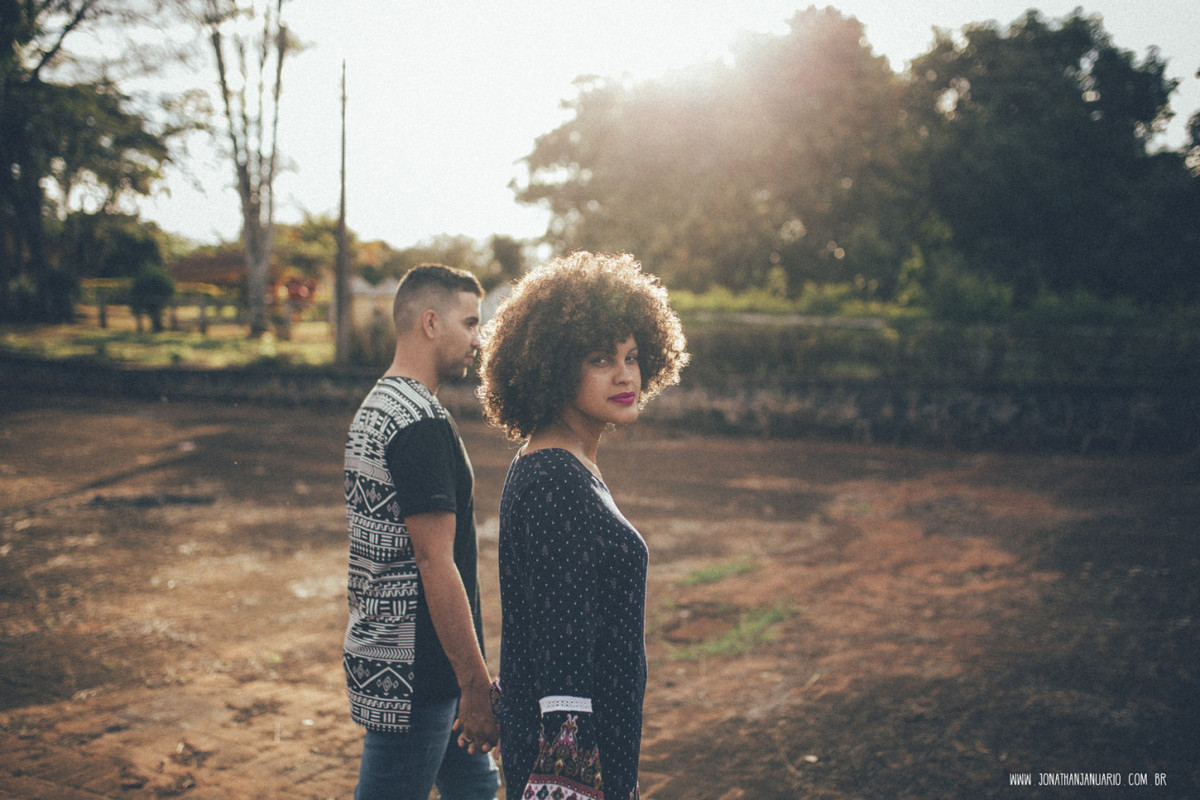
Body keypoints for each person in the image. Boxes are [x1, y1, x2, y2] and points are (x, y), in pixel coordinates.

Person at [476, 251, 689, 800]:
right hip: (574, 767)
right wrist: (570, 784)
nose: (625, 375)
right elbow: (562, 646)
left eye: (632, 356)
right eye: (600, 359)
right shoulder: (556, 481)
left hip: (596, 751)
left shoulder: (559, 463)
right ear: (551, 366)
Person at [342, 264, 500, 800]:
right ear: (430, 323)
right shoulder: (420, 424)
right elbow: (436, 562)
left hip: (397, 657)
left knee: (476, 791)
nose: (478, 339)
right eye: (470, 323)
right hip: (420, 674)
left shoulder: (377, 406)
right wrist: (475, 685)